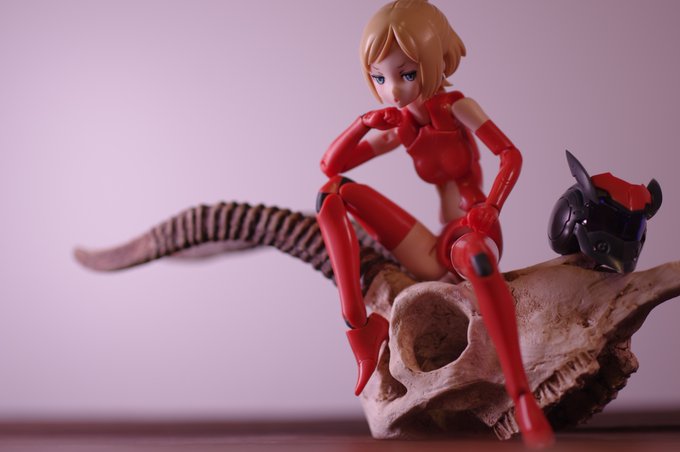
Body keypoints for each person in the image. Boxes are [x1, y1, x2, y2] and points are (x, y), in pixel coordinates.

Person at [316, 0, 554, 447]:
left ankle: (522, 396)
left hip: (473, 231)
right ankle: (361, 328)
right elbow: (332, 165)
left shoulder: (457, 106)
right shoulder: (400, 125)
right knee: (332, 194)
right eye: (379, 78)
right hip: (437, 246)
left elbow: (510, 154)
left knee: (477, 258)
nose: (392, 90)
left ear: (434, 62)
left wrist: (493, 206)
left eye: (406, 74)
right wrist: (364, 123)